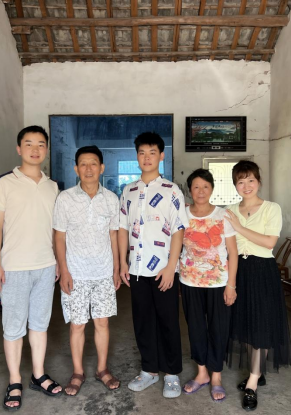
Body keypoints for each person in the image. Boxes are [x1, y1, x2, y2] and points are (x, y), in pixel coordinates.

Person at [0, 125, 63, 411]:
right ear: (19, 149)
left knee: (40, 324)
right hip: (14, 267)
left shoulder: (53, 186)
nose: (35, 149)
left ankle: (38, 375)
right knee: (13, 327)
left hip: (45, 266)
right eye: (29, 144)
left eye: (40, 144)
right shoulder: (4, 183)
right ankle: (15, 380)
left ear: (46, 150)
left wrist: (57, 261)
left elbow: (55, 229)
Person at [118, 132, 189, 399]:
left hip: (163, 270)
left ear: (161, 156)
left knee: (168, 321)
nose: (147, 157)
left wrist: (171, 266)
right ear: (136, 157)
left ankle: (171, 373)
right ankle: (149, 370)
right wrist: (123, 262)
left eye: (152, 152)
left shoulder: (171, 190)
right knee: (142, 321)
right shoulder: (128, 190)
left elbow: (179, 230)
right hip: (136, 270)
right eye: (142, 153)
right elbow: (123, 229)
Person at [224, 160, 291, 411]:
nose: (246, 186)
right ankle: (258, 371)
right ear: (235, 185)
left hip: (262, 271)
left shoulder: (271, 208)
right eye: (240, 181)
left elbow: (269, 242)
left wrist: (239, 227)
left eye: (251, 180)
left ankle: (252, 383)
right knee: (245, 323)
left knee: (261, 325)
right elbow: (226, 244)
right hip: (238, 270)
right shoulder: (229, 210)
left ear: (259, 182)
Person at [53, 145, 121, 396]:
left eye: (93, 163)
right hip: (76, 273)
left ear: (102, 168)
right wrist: (64, 270)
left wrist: (116, 269)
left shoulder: (111, 199)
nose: (89, 168)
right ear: (76, 169)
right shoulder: (65, 198)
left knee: (102, 323)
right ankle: (78, 372)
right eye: (83, 164)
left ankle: (102, 369)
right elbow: (59, 236)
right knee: (78, 324)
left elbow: (114, 236)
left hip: (103, 272)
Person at [179, 168, 238, 403]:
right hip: (189, 281)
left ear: (212, 189)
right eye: (196, 187)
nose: (201, 191)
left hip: (218, 282)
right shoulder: (182, 214)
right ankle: (201, 373)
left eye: (205, 186)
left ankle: (216, 376)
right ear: (190, 190)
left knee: (218, 329)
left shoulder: (223, 216)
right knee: (195, 328)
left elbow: (233, 252)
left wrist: (231, 285)